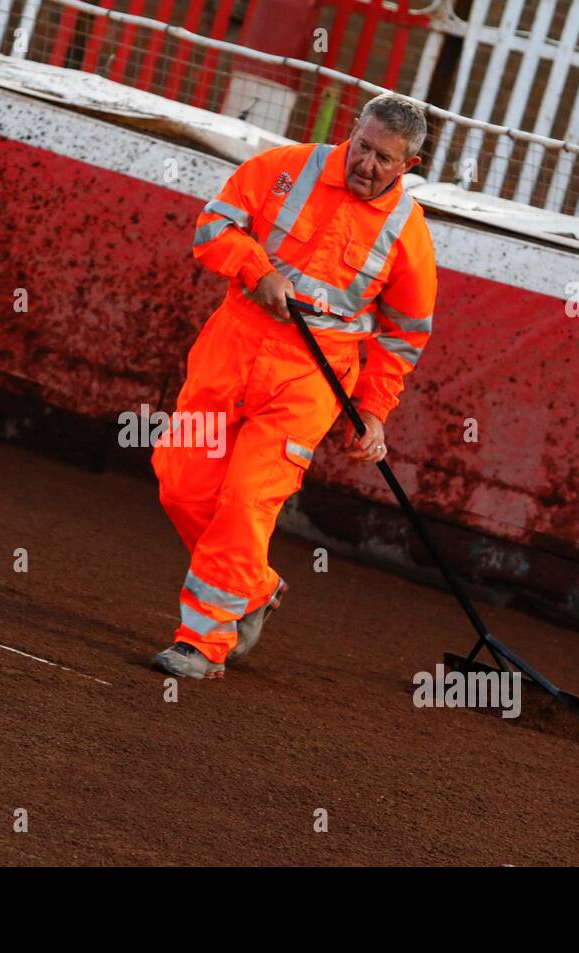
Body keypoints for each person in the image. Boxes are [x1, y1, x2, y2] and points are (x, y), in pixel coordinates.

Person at [150, 93, 439, 680]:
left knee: (244, 502)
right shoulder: (282, 168)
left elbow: (405, 337)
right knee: (181, 486)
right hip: (231, 346)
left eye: (383, 159)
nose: (366, 164)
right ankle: (253, 585)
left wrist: (374, 410)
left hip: (311, 378)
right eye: (362, 147)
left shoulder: (408, 235)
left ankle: (202, 644)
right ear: (351, 131)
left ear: (409, 165)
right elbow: (213, 226)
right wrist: (256, 270)